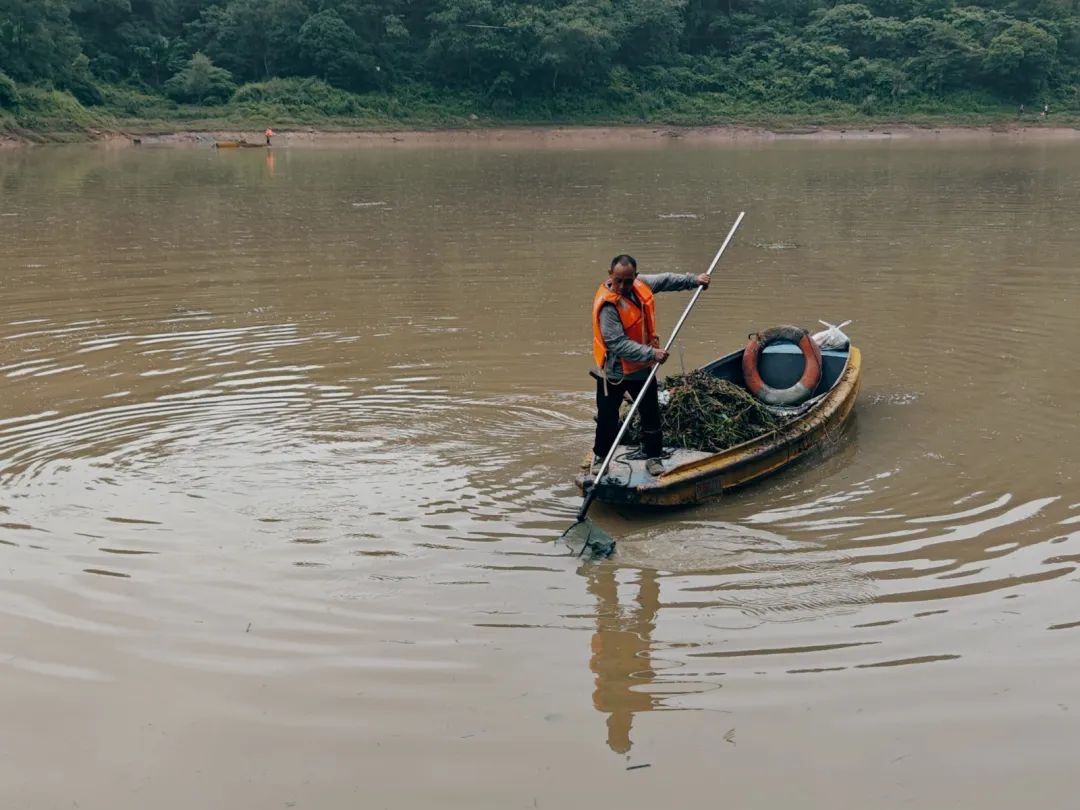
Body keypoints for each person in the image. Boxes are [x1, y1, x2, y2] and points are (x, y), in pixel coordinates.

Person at [589, 254, 710, 476]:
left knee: (650, 414)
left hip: (642, 370)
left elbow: (665, 280)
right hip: (613, 373)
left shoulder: (640, 284)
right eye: (618, 281)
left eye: (628, 280)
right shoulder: (608, 306)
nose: (623, 286)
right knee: (607, 417)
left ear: (635, 276)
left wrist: (694, 280)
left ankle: (653, 457)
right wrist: (651, 353)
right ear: (610, 276)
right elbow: (617, 343)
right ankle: (600, 458)